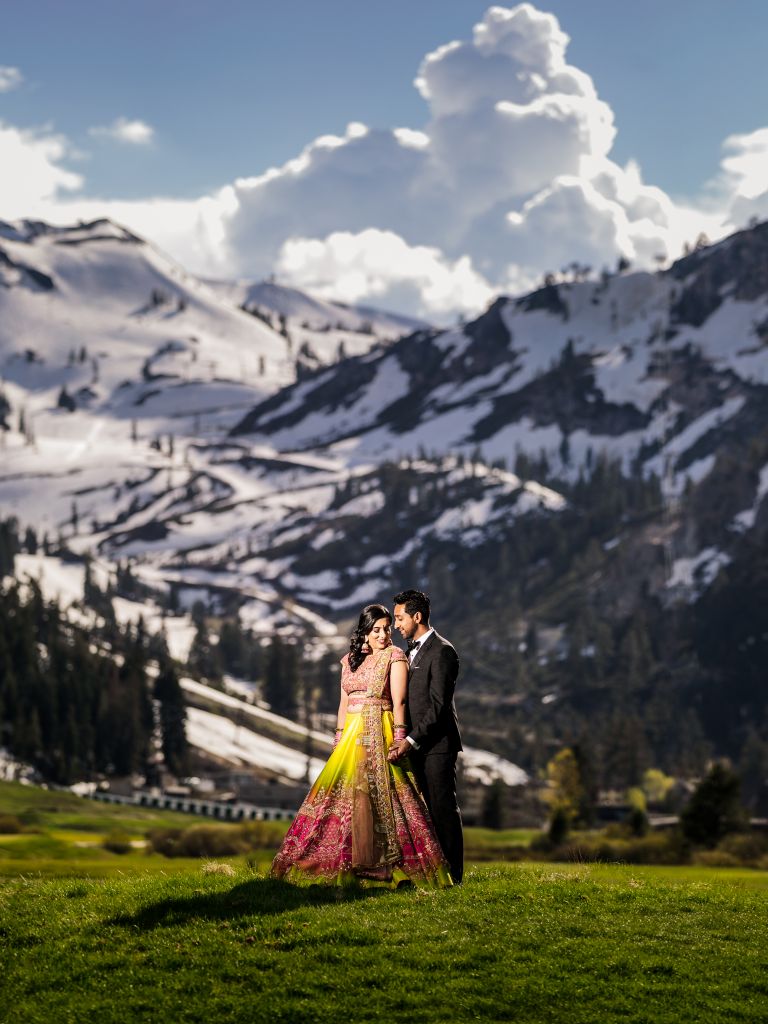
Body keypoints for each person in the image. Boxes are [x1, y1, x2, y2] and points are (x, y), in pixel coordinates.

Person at [270, 603, 452, 887]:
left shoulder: (395, 656)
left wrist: (401, 735)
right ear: (364, 632)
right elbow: (343, 703)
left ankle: (394, 868)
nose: (383, 635)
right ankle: (343, 864)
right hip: (351, 738)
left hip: (381, 729)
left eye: (387, 629)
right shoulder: (349, 661)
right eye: (376, 630)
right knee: (343, 796)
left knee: (387, 796)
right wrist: (339, 735)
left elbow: (400, 701)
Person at [388, 589, 463, 884]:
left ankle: (454, 877)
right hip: (417, 745)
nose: (396, 625)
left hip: (437, 746)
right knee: (421, 813)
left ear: (417, 616)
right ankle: (428, 872)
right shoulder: (408, 652)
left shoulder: (443, 651)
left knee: (442, 809)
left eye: (400, 618)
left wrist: (409, 740)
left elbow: (438, 705)